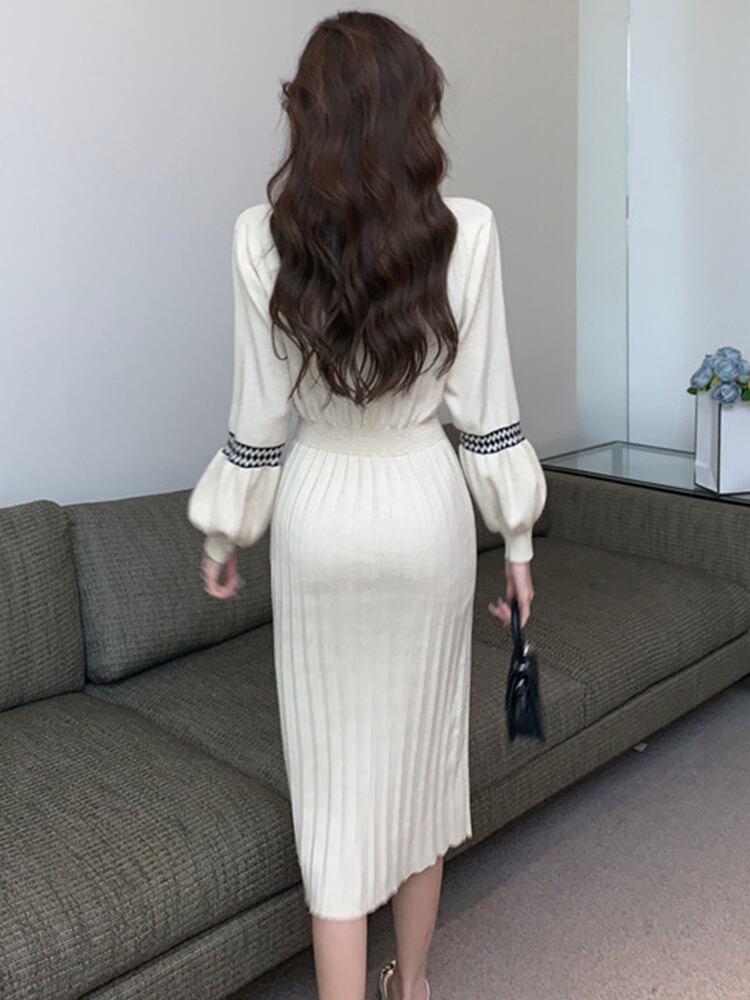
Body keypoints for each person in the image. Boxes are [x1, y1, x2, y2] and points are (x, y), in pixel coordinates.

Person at [187, 10, 547, 1000]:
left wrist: (223, 534)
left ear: (309, 115)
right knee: (423, 774)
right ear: (411, 114)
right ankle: (412, 985)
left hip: (320, 515)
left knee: (335, 802)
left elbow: (258, 420)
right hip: (424, 509)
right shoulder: (467, 232)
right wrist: (518, 545)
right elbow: (489, 417)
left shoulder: (259, 240)